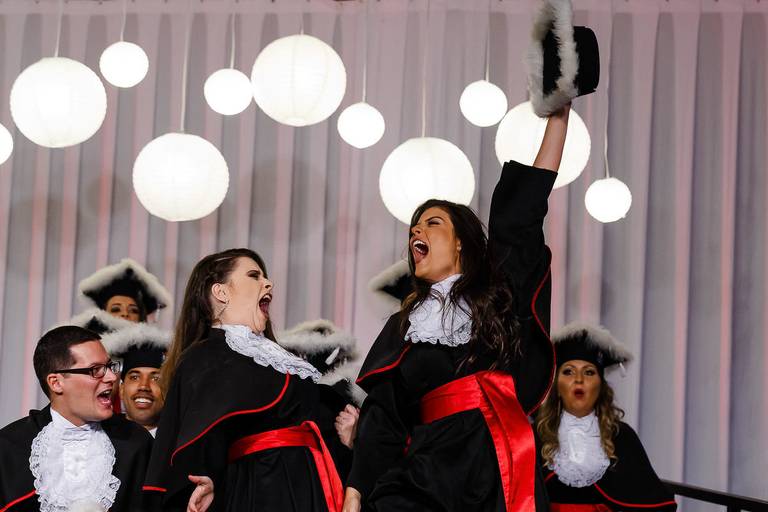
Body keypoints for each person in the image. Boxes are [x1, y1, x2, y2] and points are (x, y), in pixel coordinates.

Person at [342, 104, 570, 512]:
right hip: (429, 468)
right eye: (414, 226)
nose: (417, 229)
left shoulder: (496, 298)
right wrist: (354, 492)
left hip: (493, 461)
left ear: (461, 241)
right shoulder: (405, 324)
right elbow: (384, 416)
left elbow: (521, 216)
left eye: (433, 222)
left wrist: (559, 118)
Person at [144, 248, 351, 512]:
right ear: (221, 292)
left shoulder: (276, 356)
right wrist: (208, 481)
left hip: (311, 484)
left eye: (265, 276)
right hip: (262, 488)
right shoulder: (205, 358)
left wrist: (349, 433)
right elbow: (197, 441)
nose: (268, 283)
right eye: (254, 276)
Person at [0, 326, 153, 512]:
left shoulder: (136, 443)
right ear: (56, 383)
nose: (112, 377)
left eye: (109, 366)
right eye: (96, 369)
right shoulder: (9, 447)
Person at [536, 323, 677, 511]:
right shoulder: (538, 434)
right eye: (568, 371)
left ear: (601, 386)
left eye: (589, 372)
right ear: (556, 387)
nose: (579, 380)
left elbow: (653, 502)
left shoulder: (621, 435)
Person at [101, 324, 171, 437]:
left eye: (156, 379)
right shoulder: (101, 437)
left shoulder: (181, 439)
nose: (144, 386)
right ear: (121, 389)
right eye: (135, 377)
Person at [78, 258, 173, 324]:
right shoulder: (87, 345)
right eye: (116, 309)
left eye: (134, 311)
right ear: (103, 314)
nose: (125, 314)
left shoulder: (158, 347)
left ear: (141, 317)